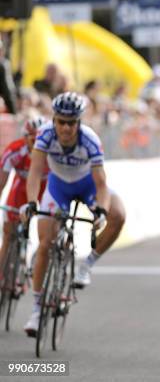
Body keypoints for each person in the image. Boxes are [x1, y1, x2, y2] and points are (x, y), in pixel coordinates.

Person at [21, 92, 126, 337]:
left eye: (71, 122)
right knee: (46, 244)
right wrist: (30, 202)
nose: (66, 127)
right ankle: (36, 310)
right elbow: (35, 173)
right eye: (61, 122)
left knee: (118, 214)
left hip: (87, 185)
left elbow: (101, 184)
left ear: (79, 122)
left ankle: (86, 266)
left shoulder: (90, 140)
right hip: (58, 188)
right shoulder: (45, 135)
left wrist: (100, 211)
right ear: (54, 120)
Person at [0, 117, 47, 276]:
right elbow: (2, 181)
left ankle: (35, 257)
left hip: (46, 188)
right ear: (24, 138)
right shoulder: (14, 150)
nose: (37, 143)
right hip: (21, 189)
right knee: (8, 233)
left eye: (41, 139)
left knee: (48, 230)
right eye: (33, 139)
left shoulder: (54, 152)